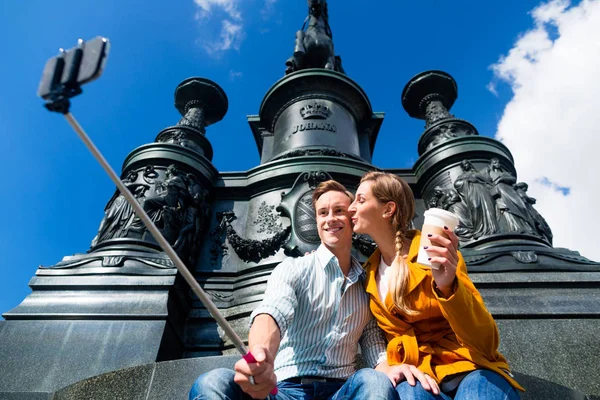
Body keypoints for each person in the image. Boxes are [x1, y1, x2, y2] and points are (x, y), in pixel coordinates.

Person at [189, 180, 396, 400]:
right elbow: (273, 312)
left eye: (339, 211)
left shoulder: (368, 283)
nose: (330, 219)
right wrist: (262, 356)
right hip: (284, 391)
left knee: (375, 380)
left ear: (352, 218)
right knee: (212, 383)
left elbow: (374, 344)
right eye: (323, 213)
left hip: (342, 392)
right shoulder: (293, 268)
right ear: (316, 221)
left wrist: (390, 369)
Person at [348, 171, 524, 400]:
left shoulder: (433, 251)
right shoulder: (368, 273)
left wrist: (448, 286)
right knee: (410, 394)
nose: (351, 207)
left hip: (470, 365)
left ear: (388, 209)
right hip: (419, 373)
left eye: (360, 200)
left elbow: (486, 342)